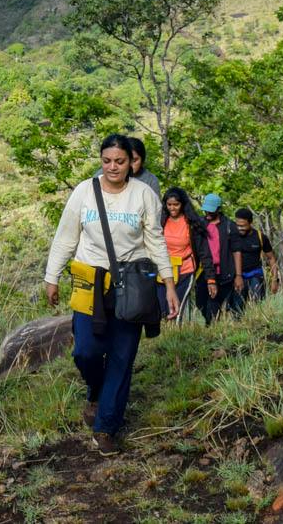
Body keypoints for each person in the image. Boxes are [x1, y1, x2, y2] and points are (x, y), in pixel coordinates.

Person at [44, 134, 177, 454]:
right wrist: (52, 277)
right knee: (85, 352)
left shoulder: (143, 194)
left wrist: (168, 283)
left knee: (121, 356)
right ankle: (95, 389)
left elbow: (156, 242)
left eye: (120, 161)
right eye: (107, 161)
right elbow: (66, 236)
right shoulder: (84, 192)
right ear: (101, 160)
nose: (113, 167)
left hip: (131, 285)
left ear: (131, 163)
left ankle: (106, 428)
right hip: (90, 282)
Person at [159, 188, 207, 323]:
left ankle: (176, 335)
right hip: (163, 270)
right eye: (169, 205)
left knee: (177, 307)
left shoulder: (192, 223)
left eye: (176, 205)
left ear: (182, 204)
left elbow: (204, 252)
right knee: (163, 308)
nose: (172, 208)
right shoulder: (161, 221)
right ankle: (163, 336)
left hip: (185, 270)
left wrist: (210, 278)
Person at [194, 194, 238, 324]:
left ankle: (212, 328)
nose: (207, 212)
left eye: (211, 210)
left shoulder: (230, 226)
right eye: (206, 209)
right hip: (204, 271)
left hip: (224, 272)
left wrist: (238, 275)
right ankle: (211, 323)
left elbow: (236, 251)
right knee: (200, 301)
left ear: (218, 209)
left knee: (215, 302)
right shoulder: (200, 225)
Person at [229, 207, 276, 312]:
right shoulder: (232, 236)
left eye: (243, 226)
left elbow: (271, 258)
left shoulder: (260, 237)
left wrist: (274, 280)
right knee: (237, 309)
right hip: (237, 276)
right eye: (237, 225)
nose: (239, 228)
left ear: (250, 223)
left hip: (255, 274)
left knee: (258, 306)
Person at [95, 134, 161, 197]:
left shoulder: (150, 180)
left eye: (134, 160)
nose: (130, 165)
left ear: (142, 160)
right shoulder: (102, 174)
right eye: (107, 161)